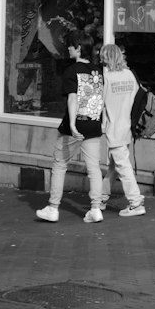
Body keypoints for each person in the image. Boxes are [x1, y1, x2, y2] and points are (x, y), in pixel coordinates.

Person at [36, 30, 106, 224]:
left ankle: (53, 207)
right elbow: (100, 99)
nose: (67, 48)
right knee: (94, 169)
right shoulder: (98, 72)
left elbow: (73, 98)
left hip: (74, 126)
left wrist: (73, 124)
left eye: (70, 45)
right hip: (93, 123)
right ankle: (95, 208)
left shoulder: (71, 71)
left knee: (60, 164)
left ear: (78, 48)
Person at [97, 42, 146, 217]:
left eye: (103, 57)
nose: (101, 60)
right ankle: (101, 198)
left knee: (123, 167)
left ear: (106, 58)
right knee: (114, 166)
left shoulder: (105, 78)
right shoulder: (130, 75)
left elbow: (99, 104)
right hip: (127, 127)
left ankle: (135, 202)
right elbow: (137, 99)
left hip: (114, 129)